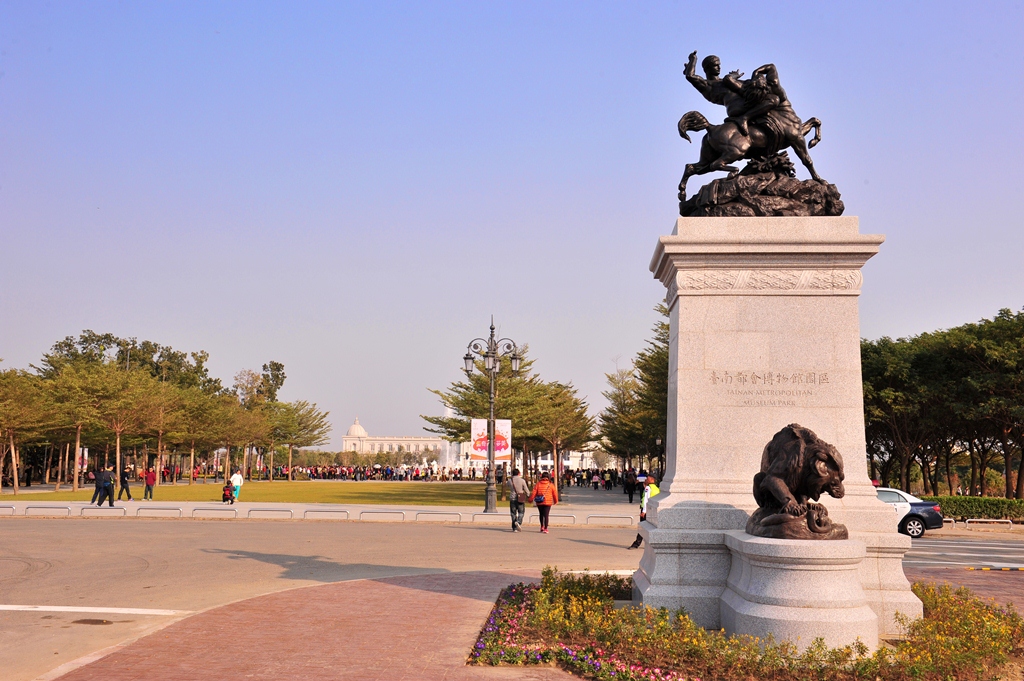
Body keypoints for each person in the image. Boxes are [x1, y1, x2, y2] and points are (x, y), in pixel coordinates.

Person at [629, 475, 659, 549]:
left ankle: (636, 543)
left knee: (642, 527)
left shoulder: (648, 488)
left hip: (645, 510)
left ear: (652, 479)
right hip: (653, 510)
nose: (646, 479)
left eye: (648, 478)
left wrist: (644, 511)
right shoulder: (657, 489)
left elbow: (646, 499)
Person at [507, 468, 530, 532]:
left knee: (513, 513)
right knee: (521, 512)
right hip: (520, 497)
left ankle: (514, 528)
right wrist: (528, 495)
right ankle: (518, 522)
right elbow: (526, 489)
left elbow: (507, 485)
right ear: (519, 473)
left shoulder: (510, 480)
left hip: (512, 498)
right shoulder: (522, 480)